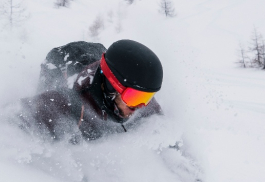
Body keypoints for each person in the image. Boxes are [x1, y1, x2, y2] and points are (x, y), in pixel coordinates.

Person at [18, 39, 163, 142]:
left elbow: (164, 130)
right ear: (113, 86)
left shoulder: (139, 95)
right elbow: (12, 123)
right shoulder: (65, 105)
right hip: (59, 61)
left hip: (97, 55)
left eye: (146, 97)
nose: (139, 107)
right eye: (134, 98)